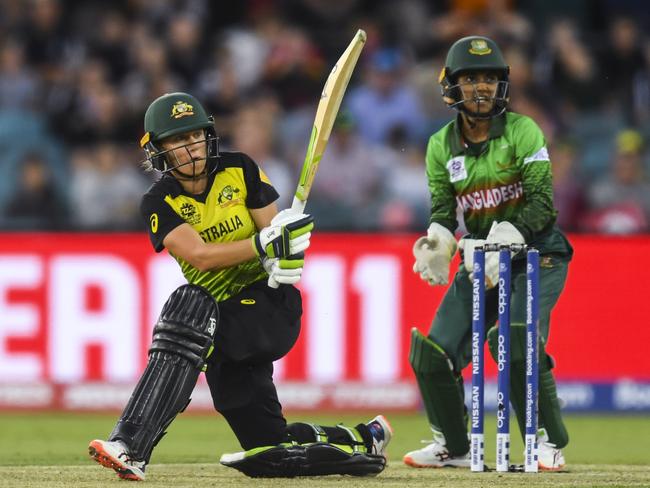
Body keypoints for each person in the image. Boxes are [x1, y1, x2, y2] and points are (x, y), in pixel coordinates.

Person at [87, 92, 392, 481]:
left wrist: (285, 252)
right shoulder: (159, 201)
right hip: (220, 330)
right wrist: (262, 245)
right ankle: (363, 438)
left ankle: (130, 446)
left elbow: (275, 234)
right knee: (268, 443)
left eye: (195, 136)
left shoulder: (239, 169)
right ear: (159, 151)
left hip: (268, 306)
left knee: (189, 304)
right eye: (178, 141)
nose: (191, 147)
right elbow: (199, 256)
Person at [404, 36, 572, 471]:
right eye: (471, 79)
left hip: (539, 255)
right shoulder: (440, 145)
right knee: (431, 352)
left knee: (513, 339)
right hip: (481, 257)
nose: (482, 87)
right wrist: (438, 242)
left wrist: (512, 232)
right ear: (451, 87)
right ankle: (453, 444)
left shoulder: (523, 130)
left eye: (491, 79)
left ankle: (546, 442)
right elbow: (443, 209)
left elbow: (542, 202)